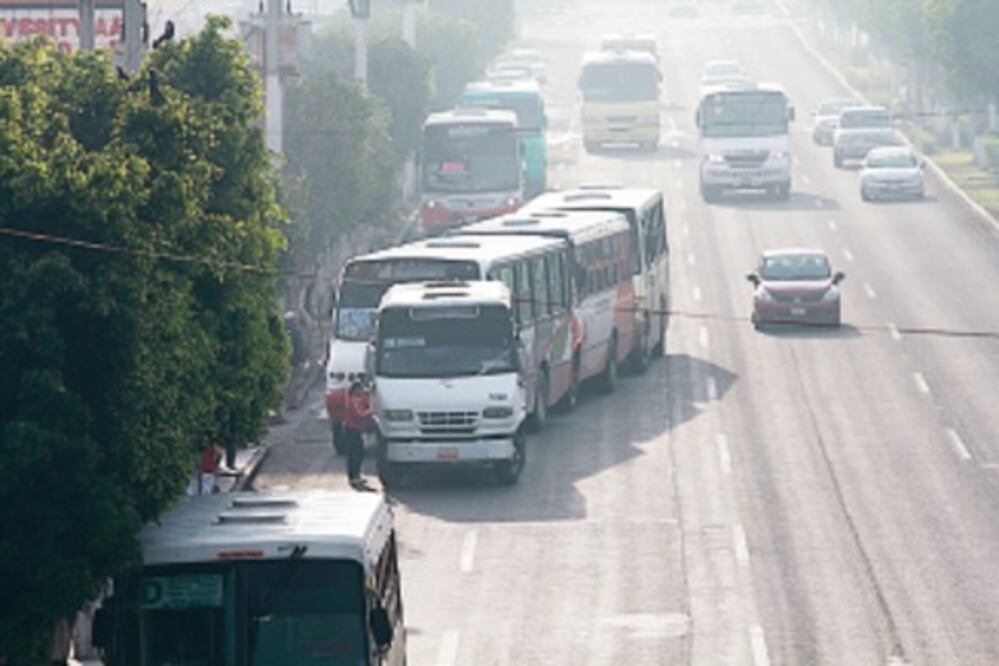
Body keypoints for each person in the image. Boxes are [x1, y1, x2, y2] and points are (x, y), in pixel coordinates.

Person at [330, 378, 374, 489]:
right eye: (360, 389)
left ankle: (356, 475)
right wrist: (371, 411)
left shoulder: (354, 399)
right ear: (355, 390)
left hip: (354, 429)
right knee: (355, 454)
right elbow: (361, 414)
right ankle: (354, 477)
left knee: (357, 453)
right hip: (352, 430)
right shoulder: (353, 401)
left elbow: (365, 398)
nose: (362, 391)